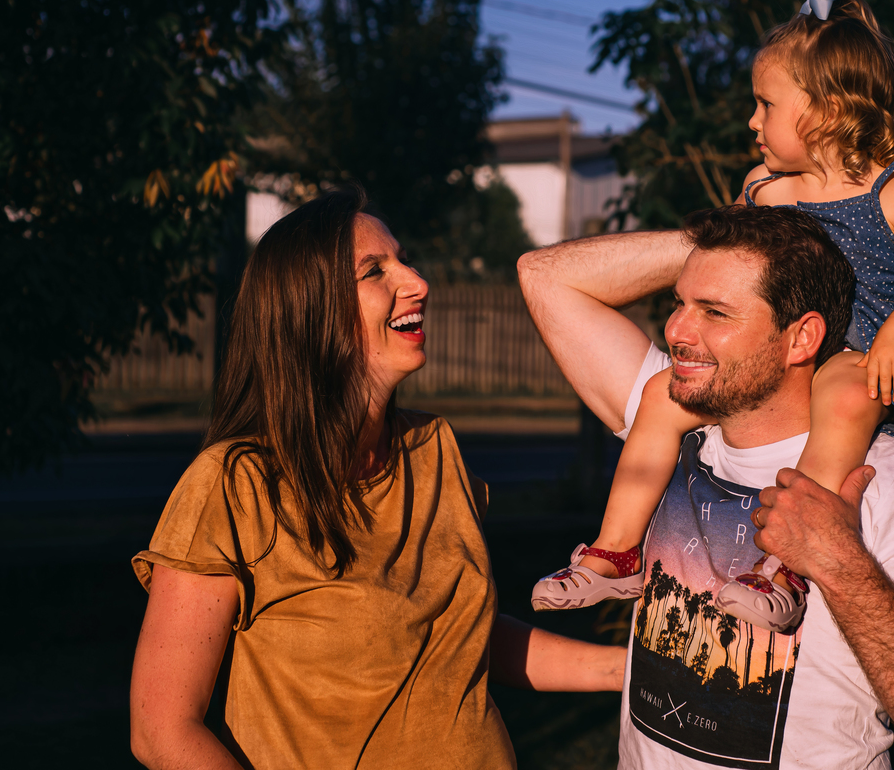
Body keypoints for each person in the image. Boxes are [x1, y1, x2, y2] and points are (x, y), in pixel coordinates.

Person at [128, 187, 624, 770]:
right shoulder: (234, 486)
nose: (417, 282)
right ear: (309, 312)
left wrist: (625, 671)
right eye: (374, 271)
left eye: (404, 260)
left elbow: (458, 640)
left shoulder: (435, 449)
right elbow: (163, 731)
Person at [530, 0, 894, 636]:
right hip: (784, 359)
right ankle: (616, 552)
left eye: (766, 105)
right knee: (660, 396)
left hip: (868, 355)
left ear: (825, 113)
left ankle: (784, 570)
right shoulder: (763, 190)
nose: (752, 121)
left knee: (847, 398)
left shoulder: (893, 192)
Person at [516, 203, 894, 769]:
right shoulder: (674, 423)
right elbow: (543, 275)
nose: (676, 330)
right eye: (679, 303)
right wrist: (758, 232)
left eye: (715, 312)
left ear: (802, 338)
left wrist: (838, 562)